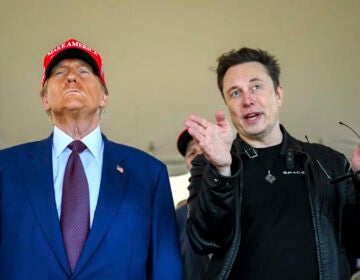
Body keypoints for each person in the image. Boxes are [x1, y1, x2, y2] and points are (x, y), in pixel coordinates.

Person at [0, 38, 183, 279]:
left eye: (84, 71)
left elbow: (166, 269)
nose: (72, 77)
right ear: (45, 99)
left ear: (103, 96)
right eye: (60, 72)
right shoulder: (6, 168)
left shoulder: (148, 174)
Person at [184, 47, 360, 279]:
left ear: (278, 94)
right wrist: (223, 170)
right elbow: (203, 240)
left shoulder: (329, 162)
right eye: (235, 93)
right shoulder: (209, 167)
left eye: (256, 87)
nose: (247, 100)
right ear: (227, 105)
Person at [175, 128, 210, 280]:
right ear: (188, 164)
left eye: (205, 148)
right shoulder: (179, 216)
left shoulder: (244, 201)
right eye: (192, 153)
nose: (198, 155)